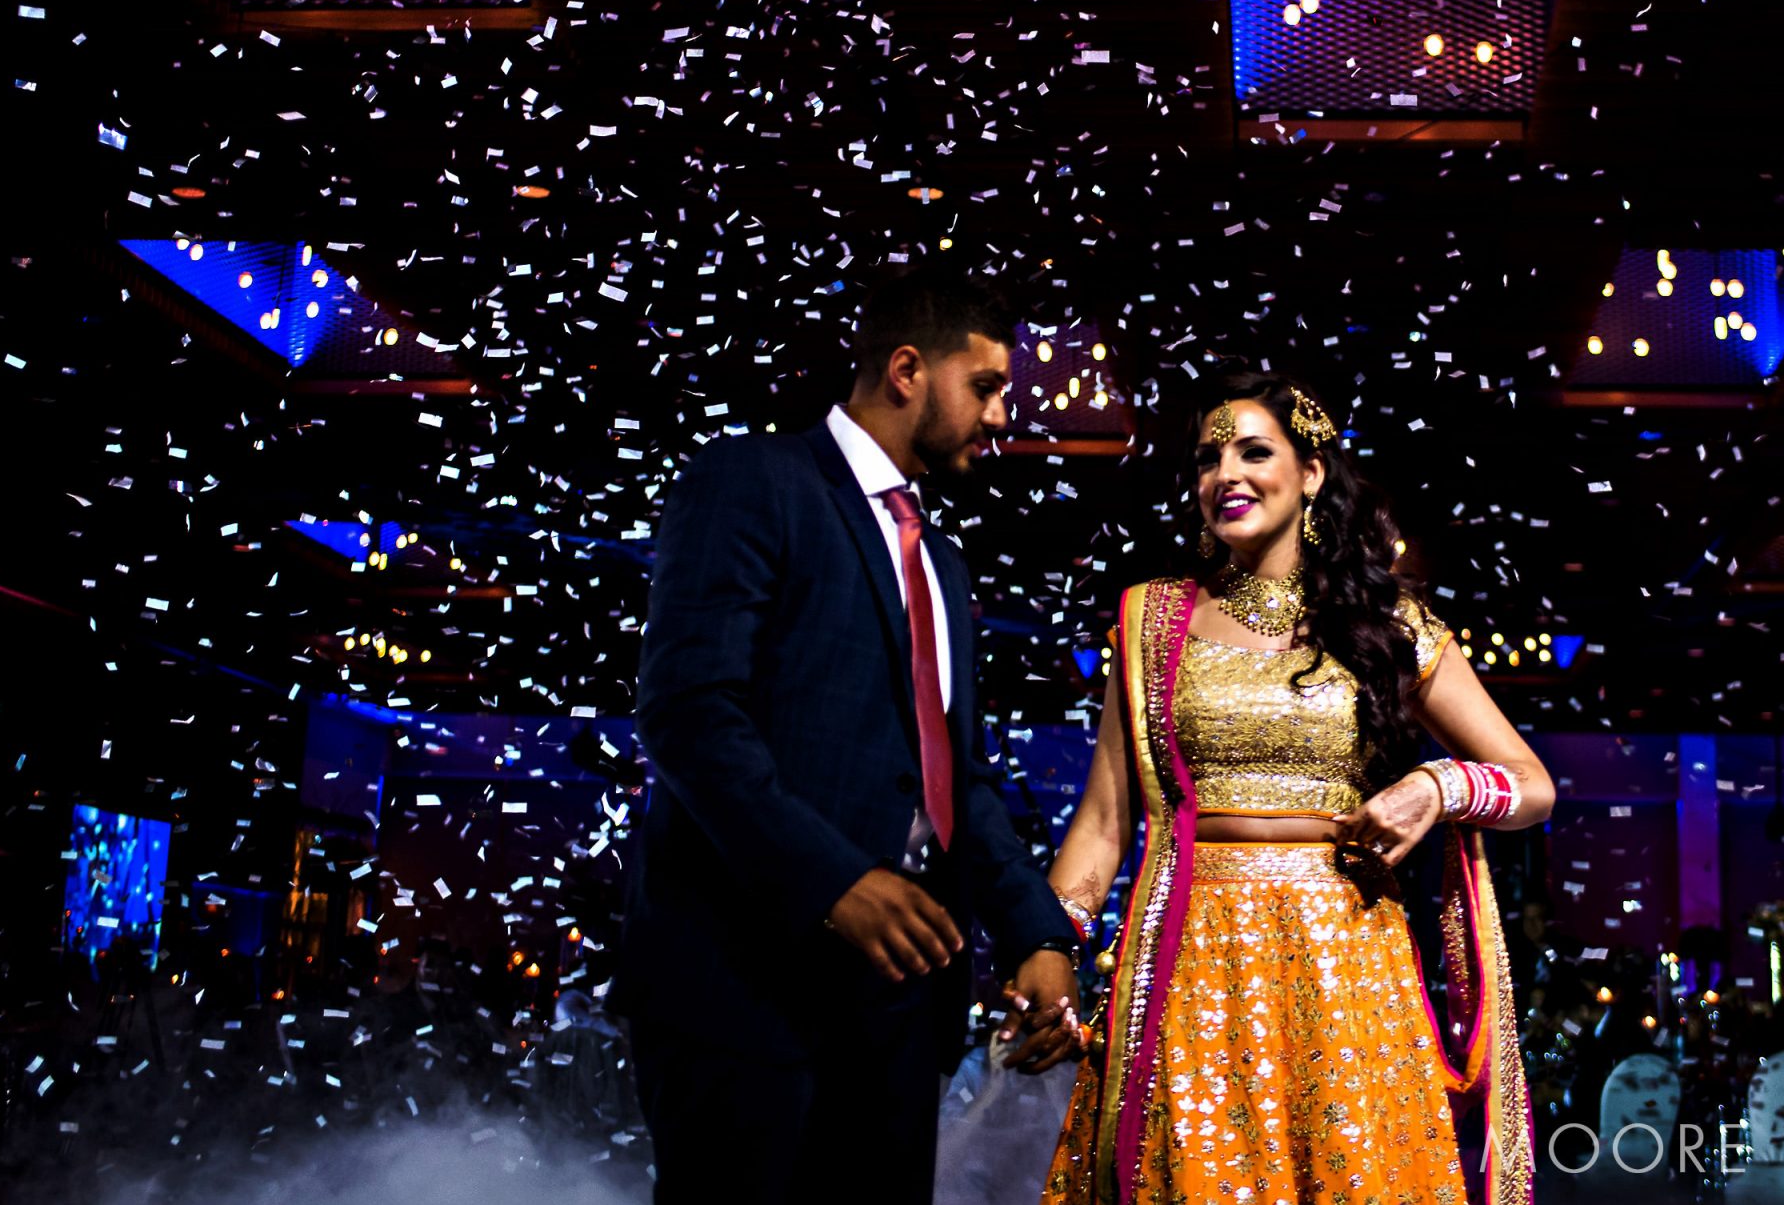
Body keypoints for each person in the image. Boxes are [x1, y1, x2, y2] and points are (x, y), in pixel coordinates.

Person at [618, 266, 1083, 1202]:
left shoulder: (941, 561)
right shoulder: (751, 480)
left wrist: (1038, 932)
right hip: (747, 994)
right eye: (986, 387)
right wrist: (833, 880)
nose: (1001, 418)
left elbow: (962, 781)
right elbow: (689, 714)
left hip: (902, 1013)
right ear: (908, 370)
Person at [1040, 368, 1555, 1205]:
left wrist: (1436, 784)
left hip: (1348, 957)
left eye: (1252, 451)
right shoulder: (1151, 619)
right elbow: (1104, 821)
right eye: (1208, 459)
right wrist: (1048, 947)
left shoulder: (1387, 623)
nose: (1224, 476)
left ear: (1311, 472)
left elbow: (1531, 785)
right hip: (1192, 962)